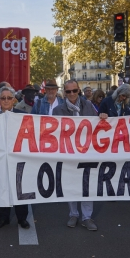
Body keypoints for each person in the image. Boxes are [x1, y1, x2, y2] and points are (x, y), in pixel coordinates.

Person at [52, 79, 99, 231]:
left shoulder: (89, 106)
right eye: (68, 91)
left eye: (74, 90)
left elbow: (98, 125)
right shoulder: (58, 110)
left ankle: (87, 217)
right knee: (71, 183)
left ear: (79, 90)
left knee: (87, 183)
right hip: (69, 152)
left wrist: (103, 117)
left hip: (87, 151)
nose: (72, 94)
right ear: (64, 93)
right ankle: (73, 214)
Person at [0, 86, 30, 229]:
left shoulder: (22, 115)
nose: (6, 101)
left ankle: (22, 218)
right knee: (2, 187)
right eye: (3, 98)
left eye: (9, 98)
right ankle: (4, 218)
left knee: (20, 187)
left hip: (18, 158)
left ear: (14, 99)